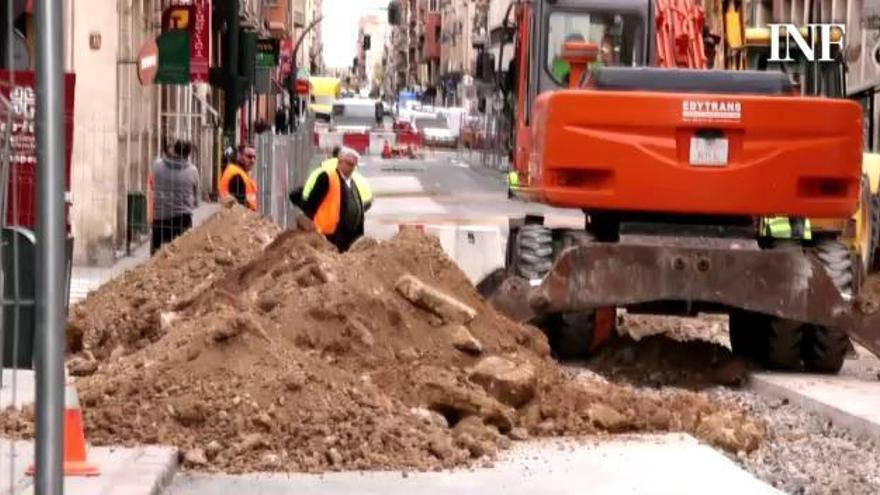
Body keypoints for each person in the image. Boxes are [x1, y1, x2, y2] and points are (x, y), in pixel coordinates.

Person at [299, 147, 372, 252]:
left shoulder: (351, 182)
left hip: (348, 237)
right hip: (328, 234)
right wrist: (312, 229)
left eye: (354, 166)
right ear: (341, 161)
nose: (352, 168)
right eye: (350, 164)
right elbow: (311, 204)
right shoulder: (327, 177)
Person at [149, 139, 199, 255]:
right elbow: (196, 202)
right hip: (183, 221)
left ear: (174, 149)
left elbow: (152, 185)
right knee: (181, 257)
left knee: (156, 259)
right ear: (188, 154)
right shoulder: (193, 171)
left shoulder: (157, 165)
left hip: (160, 219)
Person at [218, 144, 258, 211]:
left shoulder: (241, 173)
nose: (252, 161)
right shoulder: (237, 176)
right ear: (240, 156)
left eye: (254, 157)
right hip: (241, 217)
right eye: (249, 157)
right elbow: (238, 206)